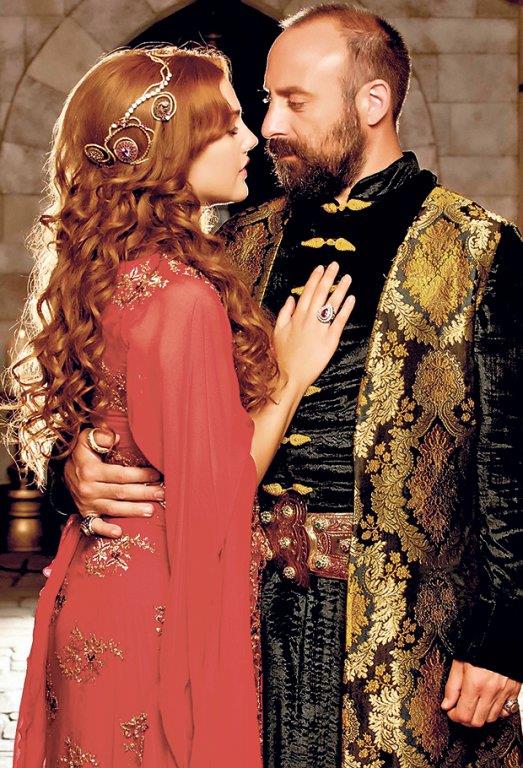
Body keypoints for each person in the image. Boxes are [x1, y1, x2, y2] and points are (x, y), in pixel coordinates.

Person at [50, 5, 523, 768]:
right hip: (234, 628)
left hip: (405, 643)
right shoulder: (232, 241)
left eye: (294, 102)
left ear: (371, 103)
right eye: (265, 101)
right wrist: (75, 469)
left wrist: (503, 642)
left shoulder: (477, 249)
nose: (269, 125)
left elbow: (512, 462)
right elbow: (135, 394)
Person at [5, 45, 356, 768]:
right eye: (227, 126)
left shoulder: (108, 273)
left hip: (95, 586)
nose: (251, 139)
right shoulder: (183, 298)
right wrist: (291, 375)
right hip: (154, 612)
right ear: (170, 151)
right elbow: (216, 493)